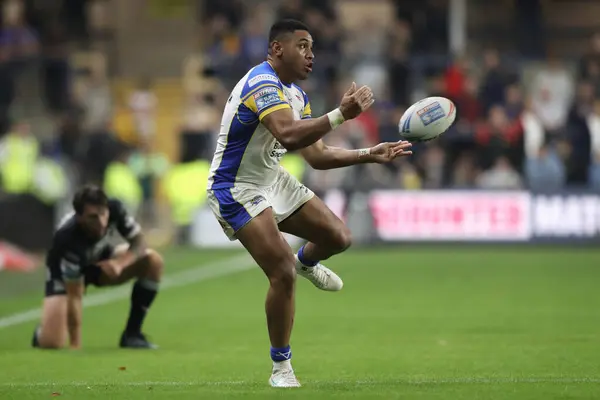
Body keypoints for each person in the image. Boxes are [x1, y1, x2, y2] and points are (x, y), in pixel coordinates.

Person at [206, 19, 412, 387]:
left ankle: (307, 261)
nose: (311, 54)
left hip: (271, 179)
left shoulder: (297, 95)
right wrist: (340, 115)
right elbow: (286, 133)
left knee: (339, 237)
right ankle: (280, 367)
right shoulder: (261, 83)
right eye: (302, 45)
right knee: (280, 273)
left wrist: (368, 153)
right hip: (235, 187)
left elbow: (315, 156)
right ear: (276, 49)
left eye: (312, 47)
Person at [32, 185, 164, 350]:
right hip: (63, 277)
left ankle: (132, 334)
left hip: (98, 261)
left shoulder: (115, 208)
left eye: (103, 214)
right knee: (52, 342)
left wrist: (119, 263)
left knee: (152, 260)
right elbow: (75, 295)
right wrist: (75, 345)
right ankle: (41, 332)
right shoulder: (67, 237)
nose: (101, 222)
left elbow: (139, 242)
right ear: (79, 217)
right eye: (93, 217)